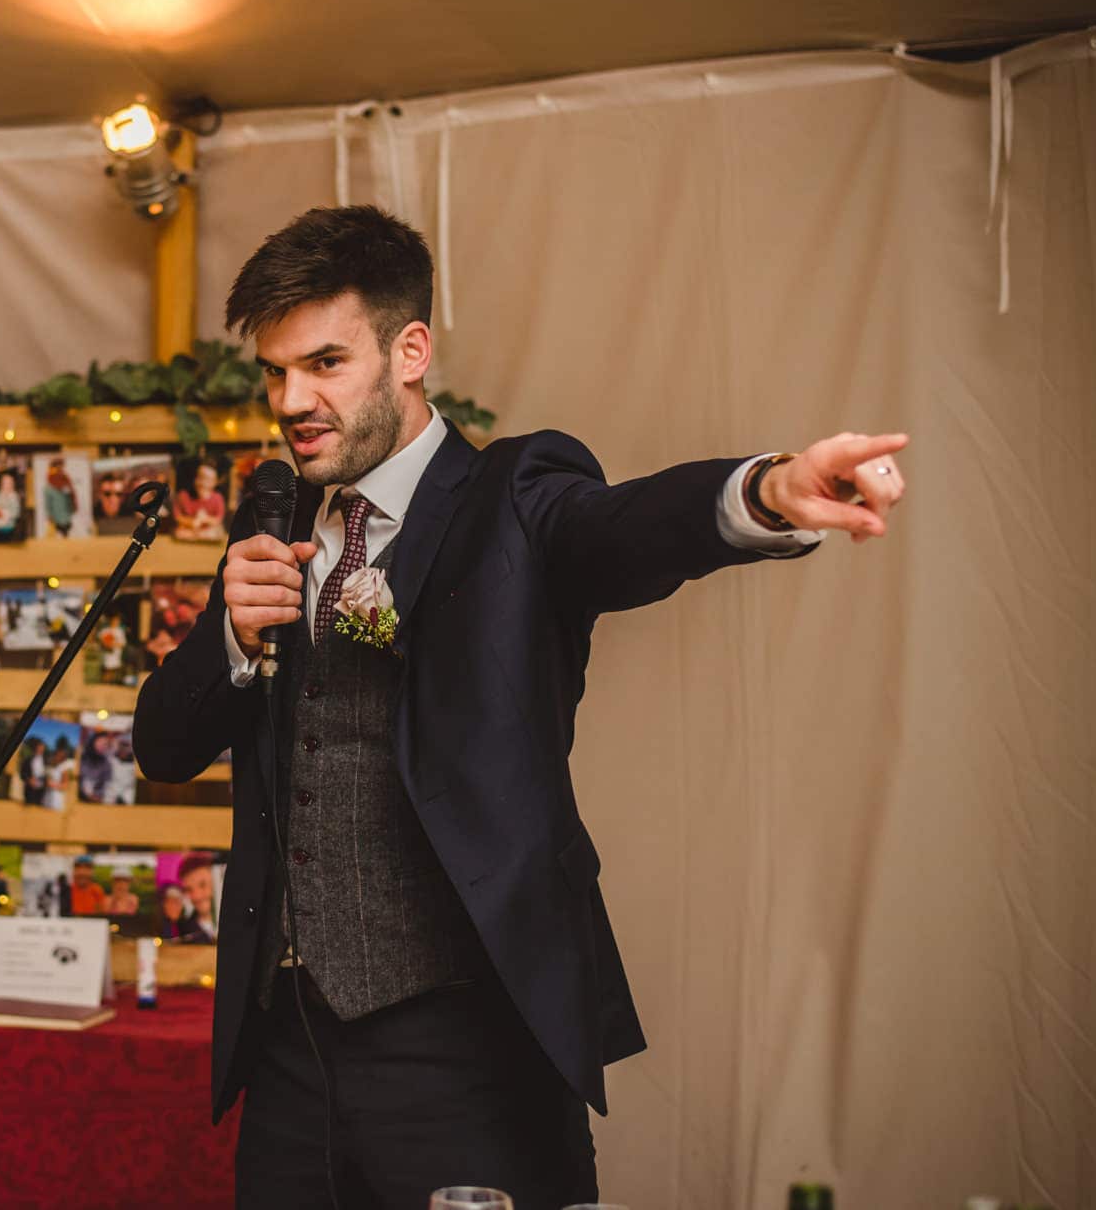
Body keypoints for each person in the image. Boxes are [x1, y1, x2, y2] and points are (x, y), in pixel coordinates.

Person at [132, 205, 909, 1209]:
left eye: (323, 363)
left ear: (409, 351)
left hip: (471, 1045)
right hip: (289, 1048)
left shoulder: (513, 493)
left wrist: (758, 493)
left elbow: (619, 529)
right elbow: (163, 743)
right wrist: (228, 640)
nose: (291, 400)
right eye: (274, 373)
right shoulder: (272, 521)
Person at [173, 459, 229, 540]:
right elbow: (178, 517)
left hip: (208, 531)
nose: (203, 483)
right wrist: (192, 522)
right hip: (188, 530)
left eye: (208, 480)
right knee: (180, 533)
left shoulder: (217, 498)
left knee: (215, 532)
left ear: (215, 482)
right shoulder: (183, 496)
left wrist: (204, 519)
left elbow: (218, 519)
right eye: (201, 477)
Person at [176, 851, 219, 939]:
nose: (197, 896)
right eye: (189, 889)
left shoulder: (238, 921)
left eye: (202, 885)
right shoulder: (182, 932)